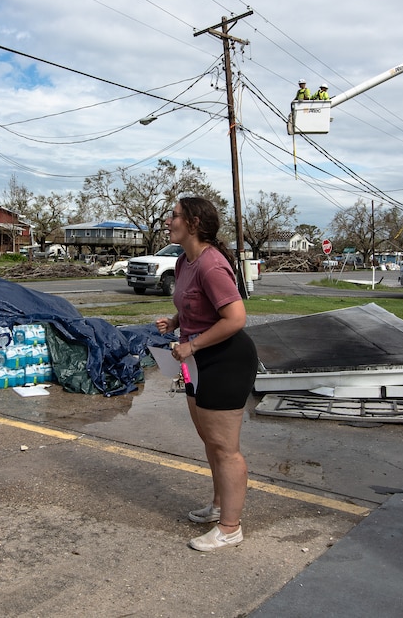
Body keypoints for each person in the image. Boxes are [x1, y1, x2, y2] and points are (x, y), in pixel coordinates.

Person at [154, 197, 259, 551]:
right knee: (210, 439)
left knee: (225, 447)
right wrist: (176, 323)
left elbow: (236, 318)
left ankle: (230, 528)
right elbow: (192, 305)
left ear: (194, 223)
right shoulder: (185, 261)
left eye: (174, 215)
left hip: (225, 359)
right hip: (198, 361)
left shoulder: (212, 265)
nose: (168, 221)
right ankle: (218, 507)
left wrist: (193, 345)